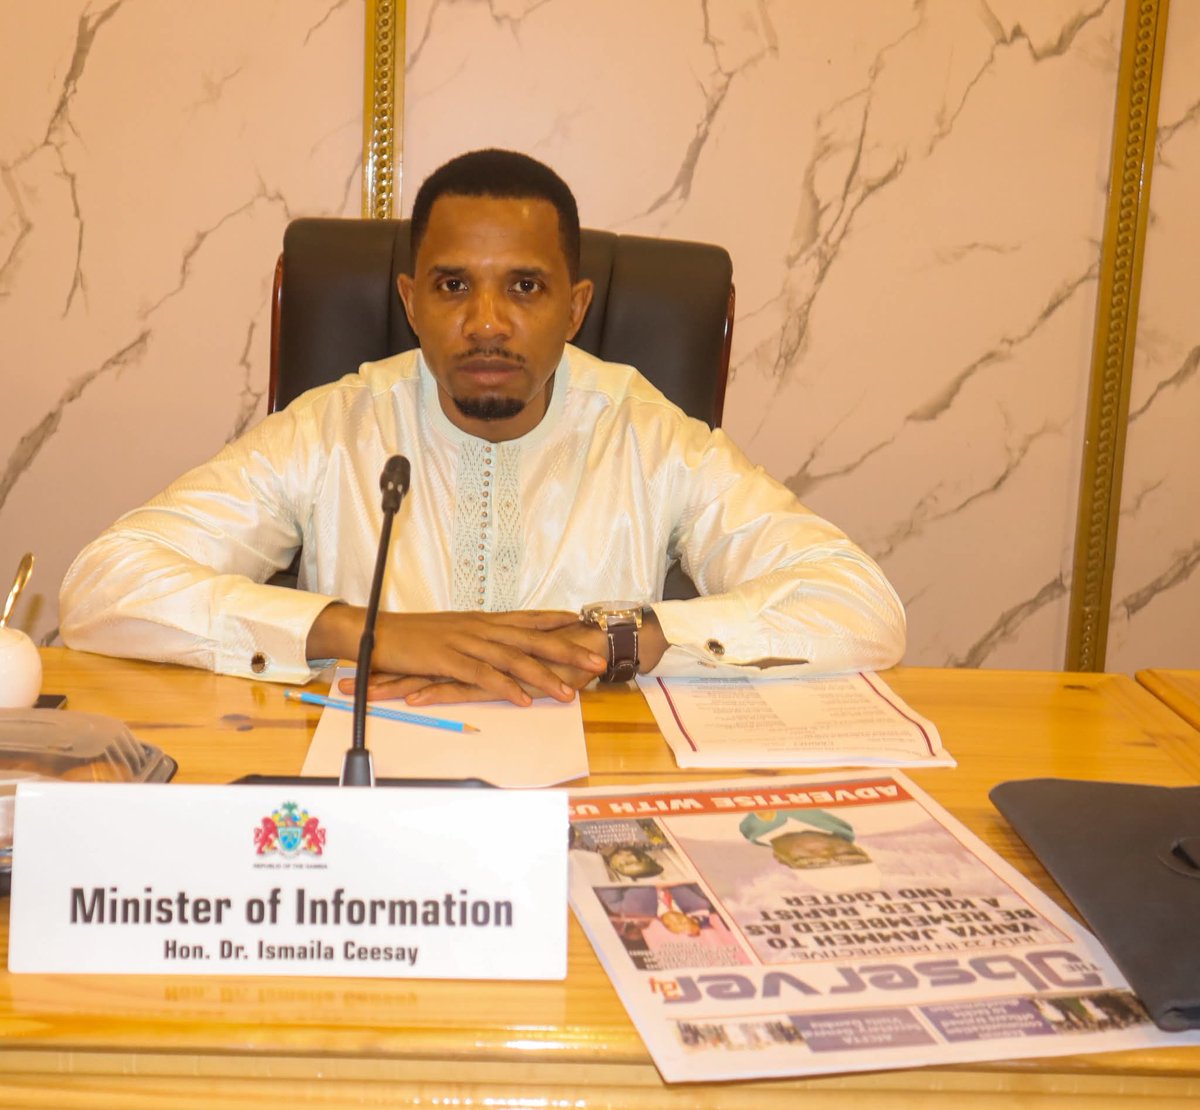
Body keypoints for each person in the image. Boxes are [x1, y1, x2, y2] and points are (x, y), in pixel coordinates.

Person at [59, 149, 905, 706]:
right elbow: (102, 588)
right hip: (373, 799)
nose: (488, 322)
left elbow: (861, 607)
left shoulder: (649, 436)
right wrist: (369, 634)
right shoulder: (332, 429)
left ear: (576, 308)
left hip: (588, 797)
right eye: (454, 286)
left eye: (526, 288)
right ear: (409, 301)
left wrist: (625, 638)